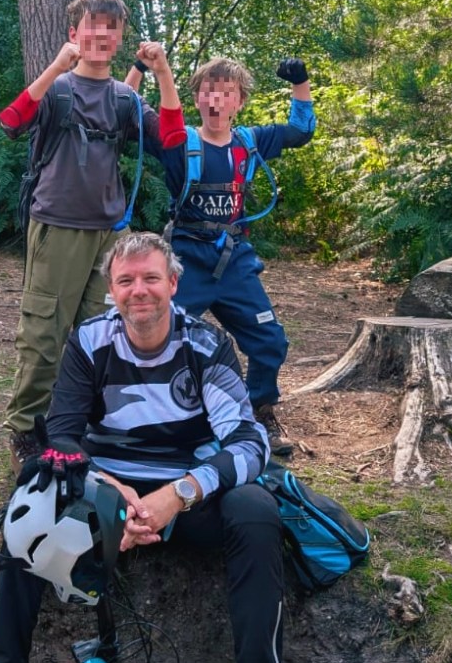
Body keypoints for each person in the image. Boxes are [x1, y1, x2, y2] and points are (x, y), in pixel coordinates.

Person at [0, 230, 305, 663]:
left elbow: (247, 440)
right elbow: (62, 434)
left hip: (188, 493)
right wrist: (108, 491)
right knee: (25, 511)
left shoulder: (207, 344)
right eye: (126, 280)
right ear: (111, 290)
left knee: (257, 513)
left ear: (173, 283)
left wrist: (179, 494)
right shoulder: (90, 340)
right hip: (107, 488)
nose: (139, 290)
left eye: (151, 278)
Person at [0, 0, 180, 468]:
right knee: (44, 334)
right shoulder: (57, 89)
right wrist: (55, 68)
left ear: (120, 38)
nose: (101, 35)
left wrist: (162, 73)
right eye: (91, 26)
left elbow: (172, 141)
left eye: (110, 28)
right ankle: (26, 429)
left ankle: (78, 424)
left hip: (109, 236)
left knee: (98, 335)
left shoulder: (125, 99)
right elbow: (12, 122)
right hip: (57, 227)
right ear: (75, 33)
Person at [128, 52, 316, 453]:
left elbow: (301, 130)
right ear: (195, 98)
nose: (216, 101)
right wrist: (143, 68)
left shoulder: (251, 141)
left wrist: (300, 82)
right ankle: (156, 416)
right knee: (157, 337)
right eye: (208, 92)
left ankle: (258, 411)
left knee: (270, 342)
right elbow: (128, 107)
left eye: (226, 93)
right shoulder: (177, 140)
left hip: (234, 260)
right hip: (185, 259)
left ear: (239, 102)